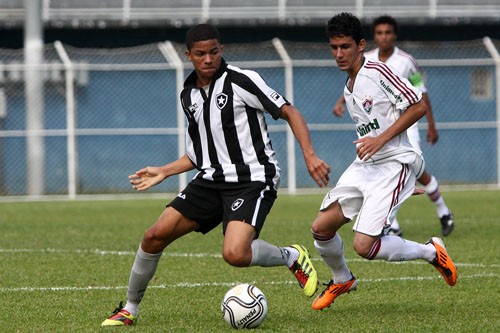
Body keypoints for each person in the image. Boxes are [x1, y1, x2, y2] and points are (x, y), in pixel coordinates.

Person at [102, 23, 331, 326]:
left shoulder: (241, 81)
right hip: (211, 180)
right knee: (154, 236)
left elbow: (290, 111)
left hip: (253, 178)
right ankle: (129, 309)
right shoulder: (188, 95)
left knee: (235, 253)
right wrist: (165, 171)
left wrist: (310, 154)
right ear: (189, 56)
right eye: (200, 54)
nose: (208, 59)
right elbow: (199, 153)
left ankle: (290, 256)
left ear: (221, 50)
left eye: (213, 52)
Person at [310, 12, 457, 311]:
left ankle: (431, 252)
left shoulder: (379, 71)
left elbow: (416, 106)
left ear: (361, 45)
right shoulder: (348, 88)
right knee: (321, 228)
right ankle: (342, 279)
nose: (339, 54)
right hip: (367, 166)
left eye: (345, 47)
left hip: (394, 162)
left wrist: (384, 142)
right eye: (334, 47)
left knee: (364, 246)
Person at [332, 15, 454, 237]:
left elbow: (421, 94)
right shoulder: (362, 58)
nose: (384, 37)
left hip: (406, 124)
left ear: (394, 35)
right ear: (373, 38)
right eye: (379, 33)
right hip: (375, 128)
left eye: (388, 33)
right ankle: (392, 225)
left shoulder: (406, 61)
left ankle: (443, 211)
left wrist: (432, 126)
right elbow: (356, 86)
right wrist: (341, 102)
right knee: (382, 173)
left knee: (417, 172)